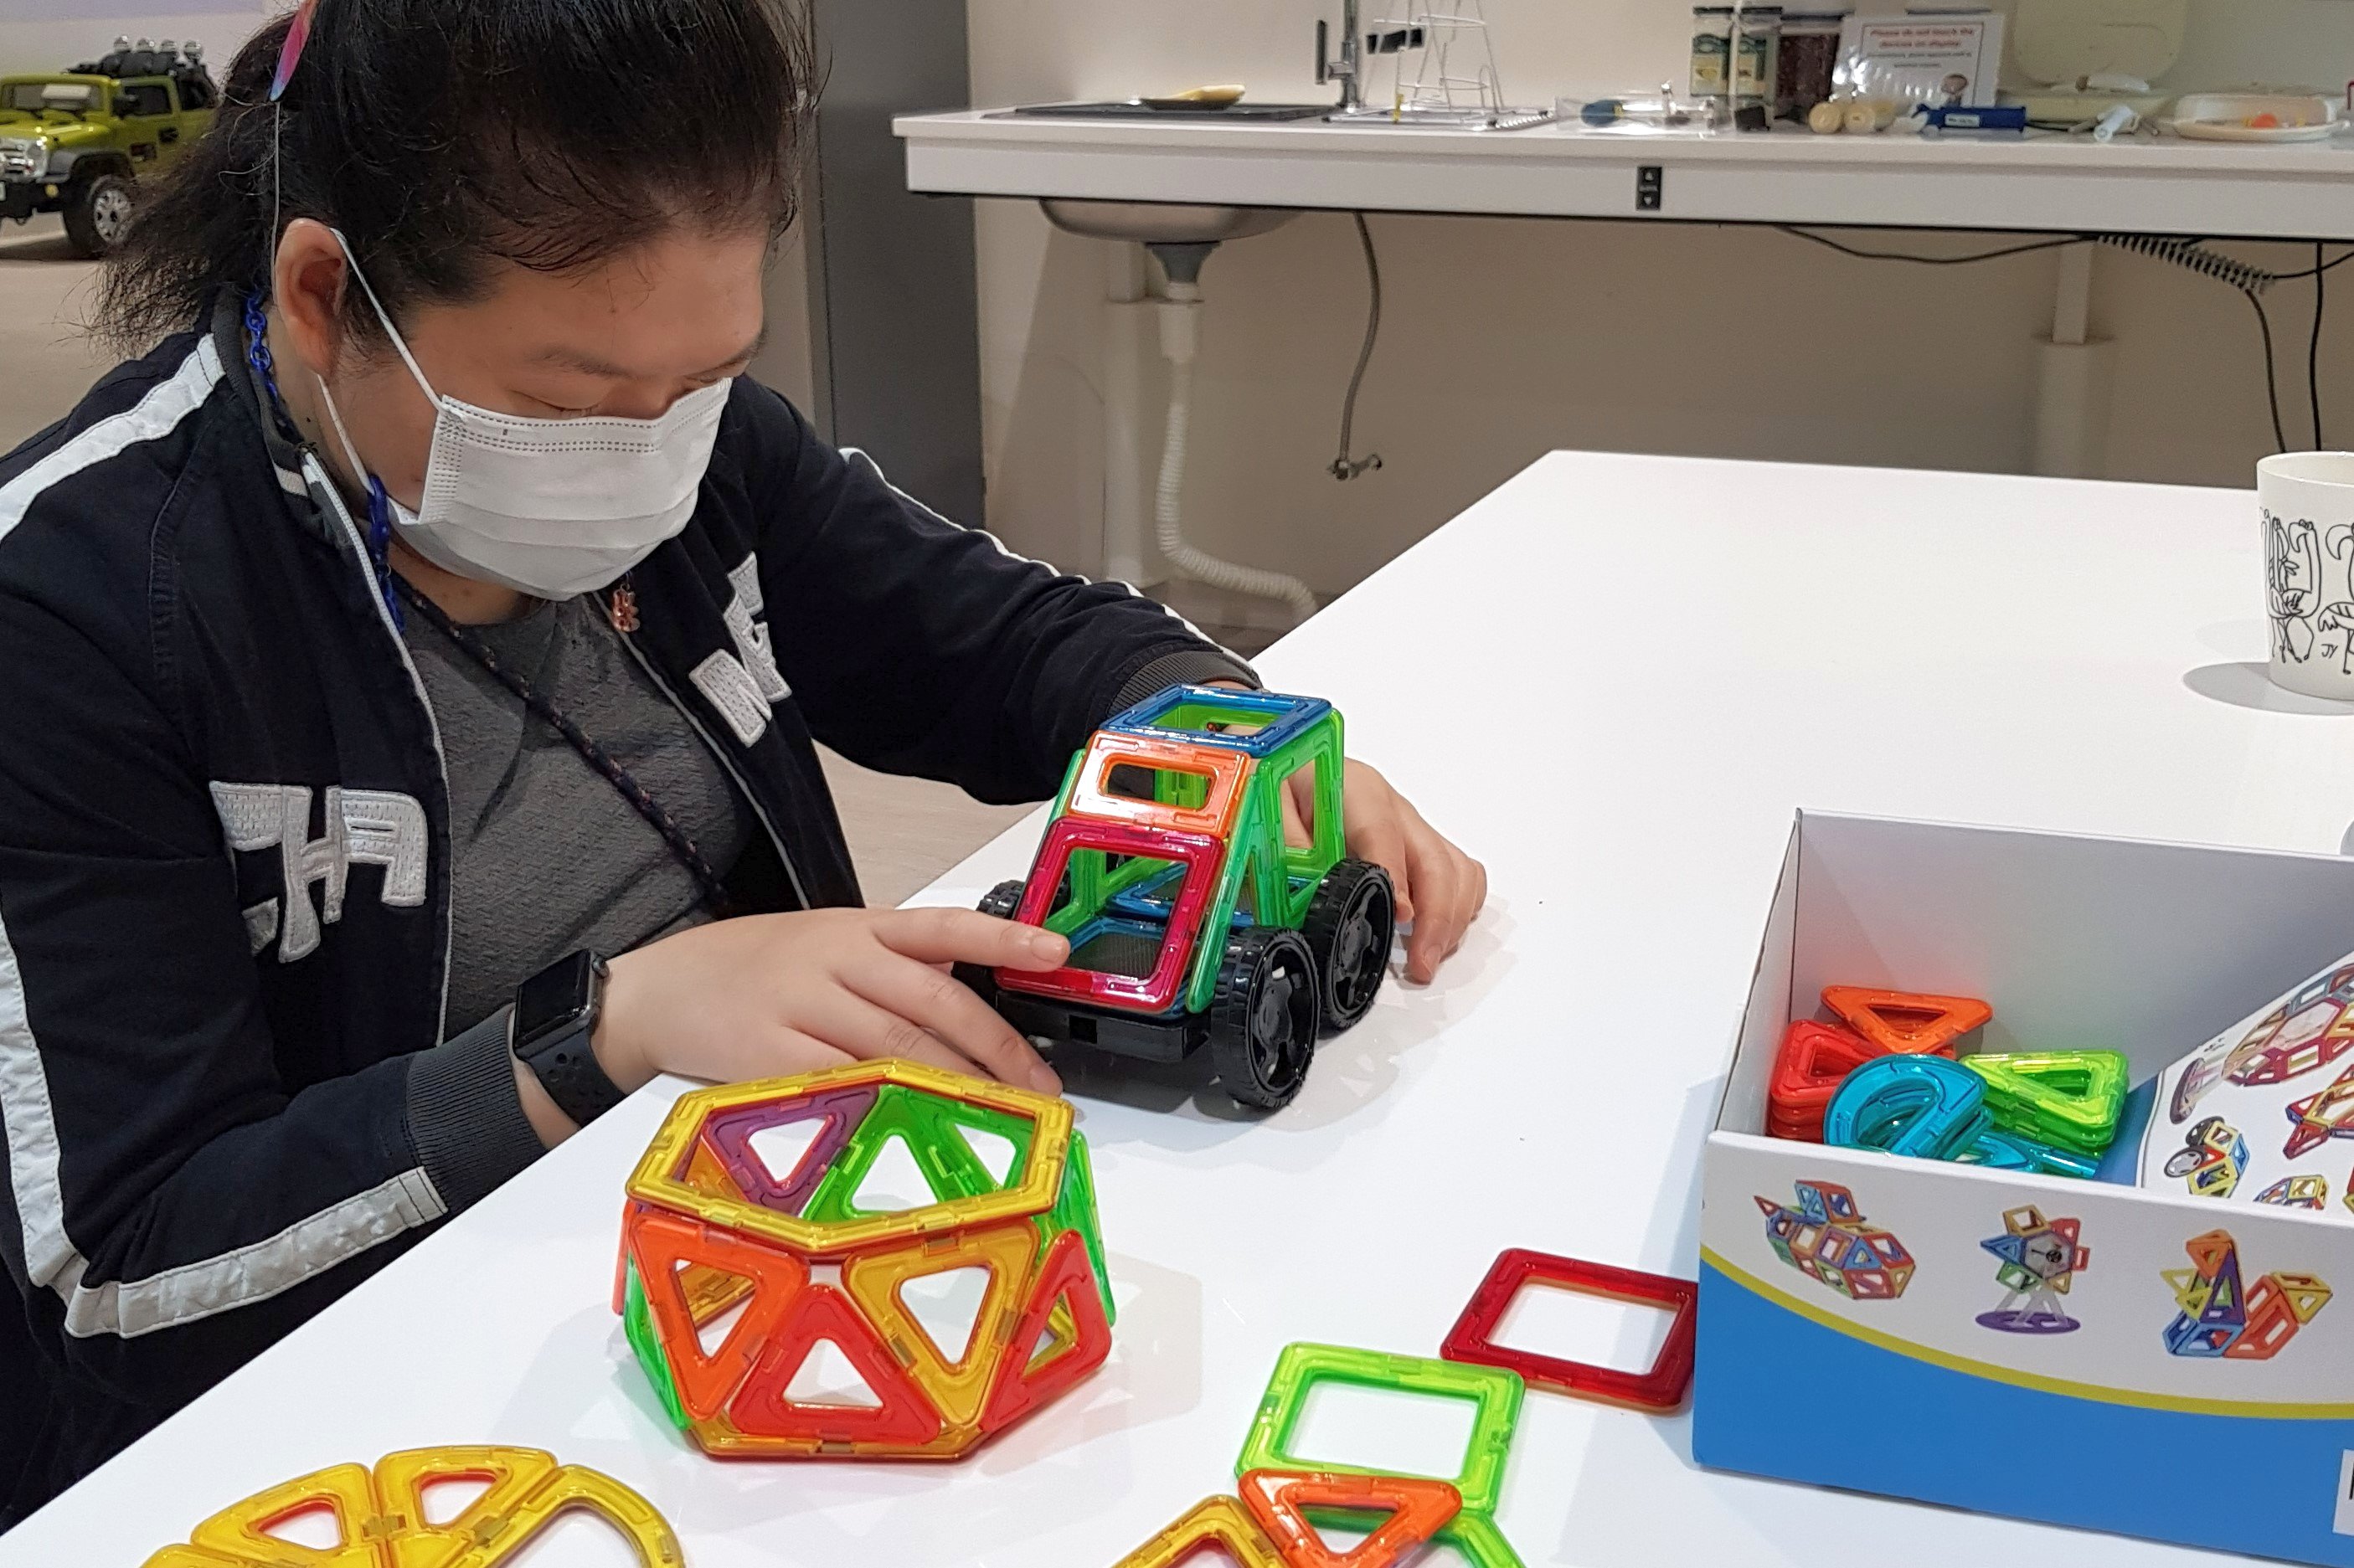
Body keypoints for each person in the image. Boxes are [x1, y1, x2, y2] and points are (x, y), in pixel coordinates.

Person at [0, 0, 1487, 1517]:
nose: (651, 452)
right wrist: (605, 1031)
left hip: (791, 1286)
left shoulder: (702, 450)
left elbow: (1008, 641)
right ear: (324, 296)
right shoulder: (75, 608)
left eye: (703, 378)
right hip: (401, 1423)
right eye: (574, 398)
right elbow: (126, 1274)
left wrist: (1230, 743)